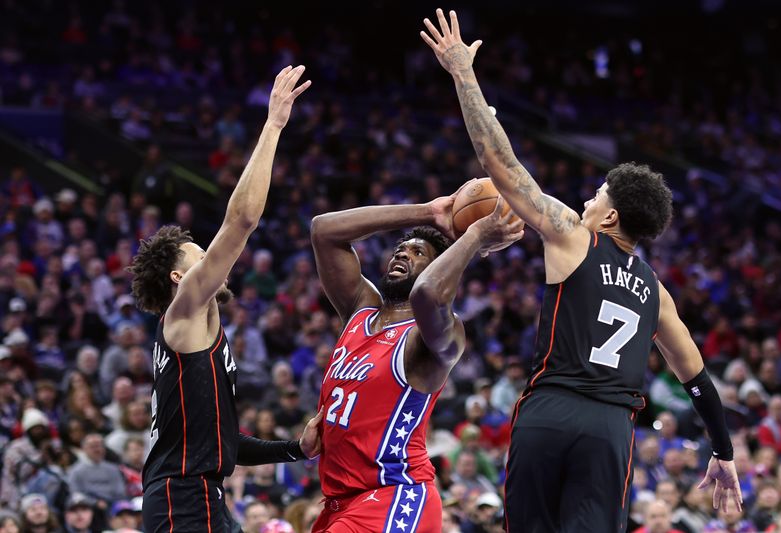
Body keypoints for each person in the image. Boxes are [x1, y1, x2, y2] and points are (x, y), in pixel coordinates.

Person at [421, 9, 742, 532]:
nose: (587, 201)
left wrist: (463, 75)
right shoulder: (656, 294)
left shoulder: (573, 233)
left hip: (550, 411)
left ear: (611, 216)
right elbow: (698, 381)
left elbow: (498, 160)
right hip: (610, 429)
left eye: (597, 196)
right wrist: (722, 450)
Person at [128, 65, 322, 533]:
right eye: (200, 251)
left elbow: (222, 442)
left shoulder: (200, 331)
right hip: (182, 496)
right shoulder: (185, 308)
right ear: (180, 275)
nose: (213, 257)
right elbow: (240, 222)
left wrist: (295, 449)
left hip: (200, 493)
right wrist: (274, 124)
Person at [309, 182, 523, 531]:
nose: (402, 254)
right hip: (341, 501)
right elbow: (324, 230)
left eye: (418, 253)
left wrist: (475, 235)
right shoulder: (361, 311)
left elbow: (427, 294)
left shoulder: (439, 333)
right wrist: (428, 211)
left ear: (440, 270)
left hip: (394, 495)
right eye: (400, 248)